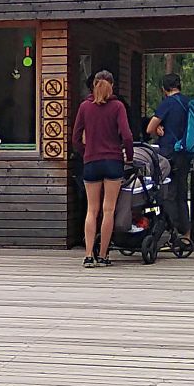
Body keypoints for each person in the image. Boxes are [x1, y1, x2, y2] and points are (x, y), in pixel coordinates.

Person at [70, 68, 134, 267]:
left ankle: (89, 254)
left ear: (93, 85)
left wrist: (86, 152)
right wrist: (129, 156)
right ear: (112, 85)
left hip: (91, 162)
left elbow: (75, 138)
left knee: (92, 210)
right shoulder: (118, 106)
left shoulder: (85, 107)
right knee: (108, 210)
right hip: (113, 161)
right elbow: (127, 136)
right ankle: (104, 255)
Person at [147, 71, 192, 242]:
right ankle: (186, 233)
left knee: (168, 193)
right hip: (185, 153)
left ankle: (173, 231)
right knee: (182, 193)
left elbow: (149, 128)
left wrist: (158, 129)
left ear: (164, 89)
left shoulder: (167, 104)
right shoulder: (188, 103)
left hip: (169, 154)